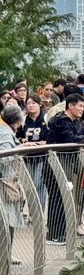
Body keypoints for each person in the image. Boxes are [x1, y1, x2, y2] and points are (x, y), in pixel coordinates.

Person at [45, 93, 84, 244]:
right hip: (56, 164)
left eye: (83, 106)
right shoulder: (62, 121)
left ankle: (60, 232)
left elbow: (80, 133)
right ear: (70, 106)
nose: (82, 109)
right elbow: (71, 140)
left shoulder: (74, 121)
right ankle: (54, 234)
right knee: (58, 198)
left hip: (64, 163)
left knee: (63, 197)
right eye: (80, 106)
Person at [0, 105, 26, 265]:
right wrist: (19, 149)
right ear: (18, 120)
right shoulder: (5, 134)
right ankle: (5, 253)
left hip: (7, 179)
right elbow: (4, 158)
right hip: (5, 181)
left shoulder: (5, 130)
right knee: (6, 219)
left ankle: (6, 253)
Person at [21, 93, 48, 208]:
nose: (31, 106)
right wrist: (23, 141)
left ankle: (39, 211)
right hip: (28, 157)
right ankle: (32, 210)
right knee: (29, 185)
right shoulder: (24, 120)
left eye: (33, 103)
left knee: (38, 184)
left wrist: (46, 143)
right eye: (28, 103)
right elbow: (18, 135)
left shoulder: (46, 118)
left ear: (39, 104)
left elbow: (52, 135)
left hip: (42, 156)